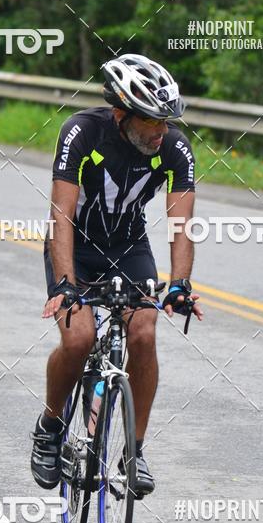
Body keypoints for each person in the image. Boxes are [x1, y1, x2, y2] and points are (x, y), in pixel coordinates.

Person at [30, 52, 202, 494]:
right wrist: (66, 285)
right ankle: (50, 426)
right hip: (75, 246)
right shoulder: (82, 132)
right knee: (80, 337)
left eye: (168, 121)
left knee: (144, 331)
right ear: (123, 113)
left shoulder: (176, 148)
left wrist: (180, 283)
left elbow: (181, 226)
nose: (163, 131)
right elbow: (61, 215)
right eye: (154, 122)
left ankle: (134, 454)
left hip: (128, 247)